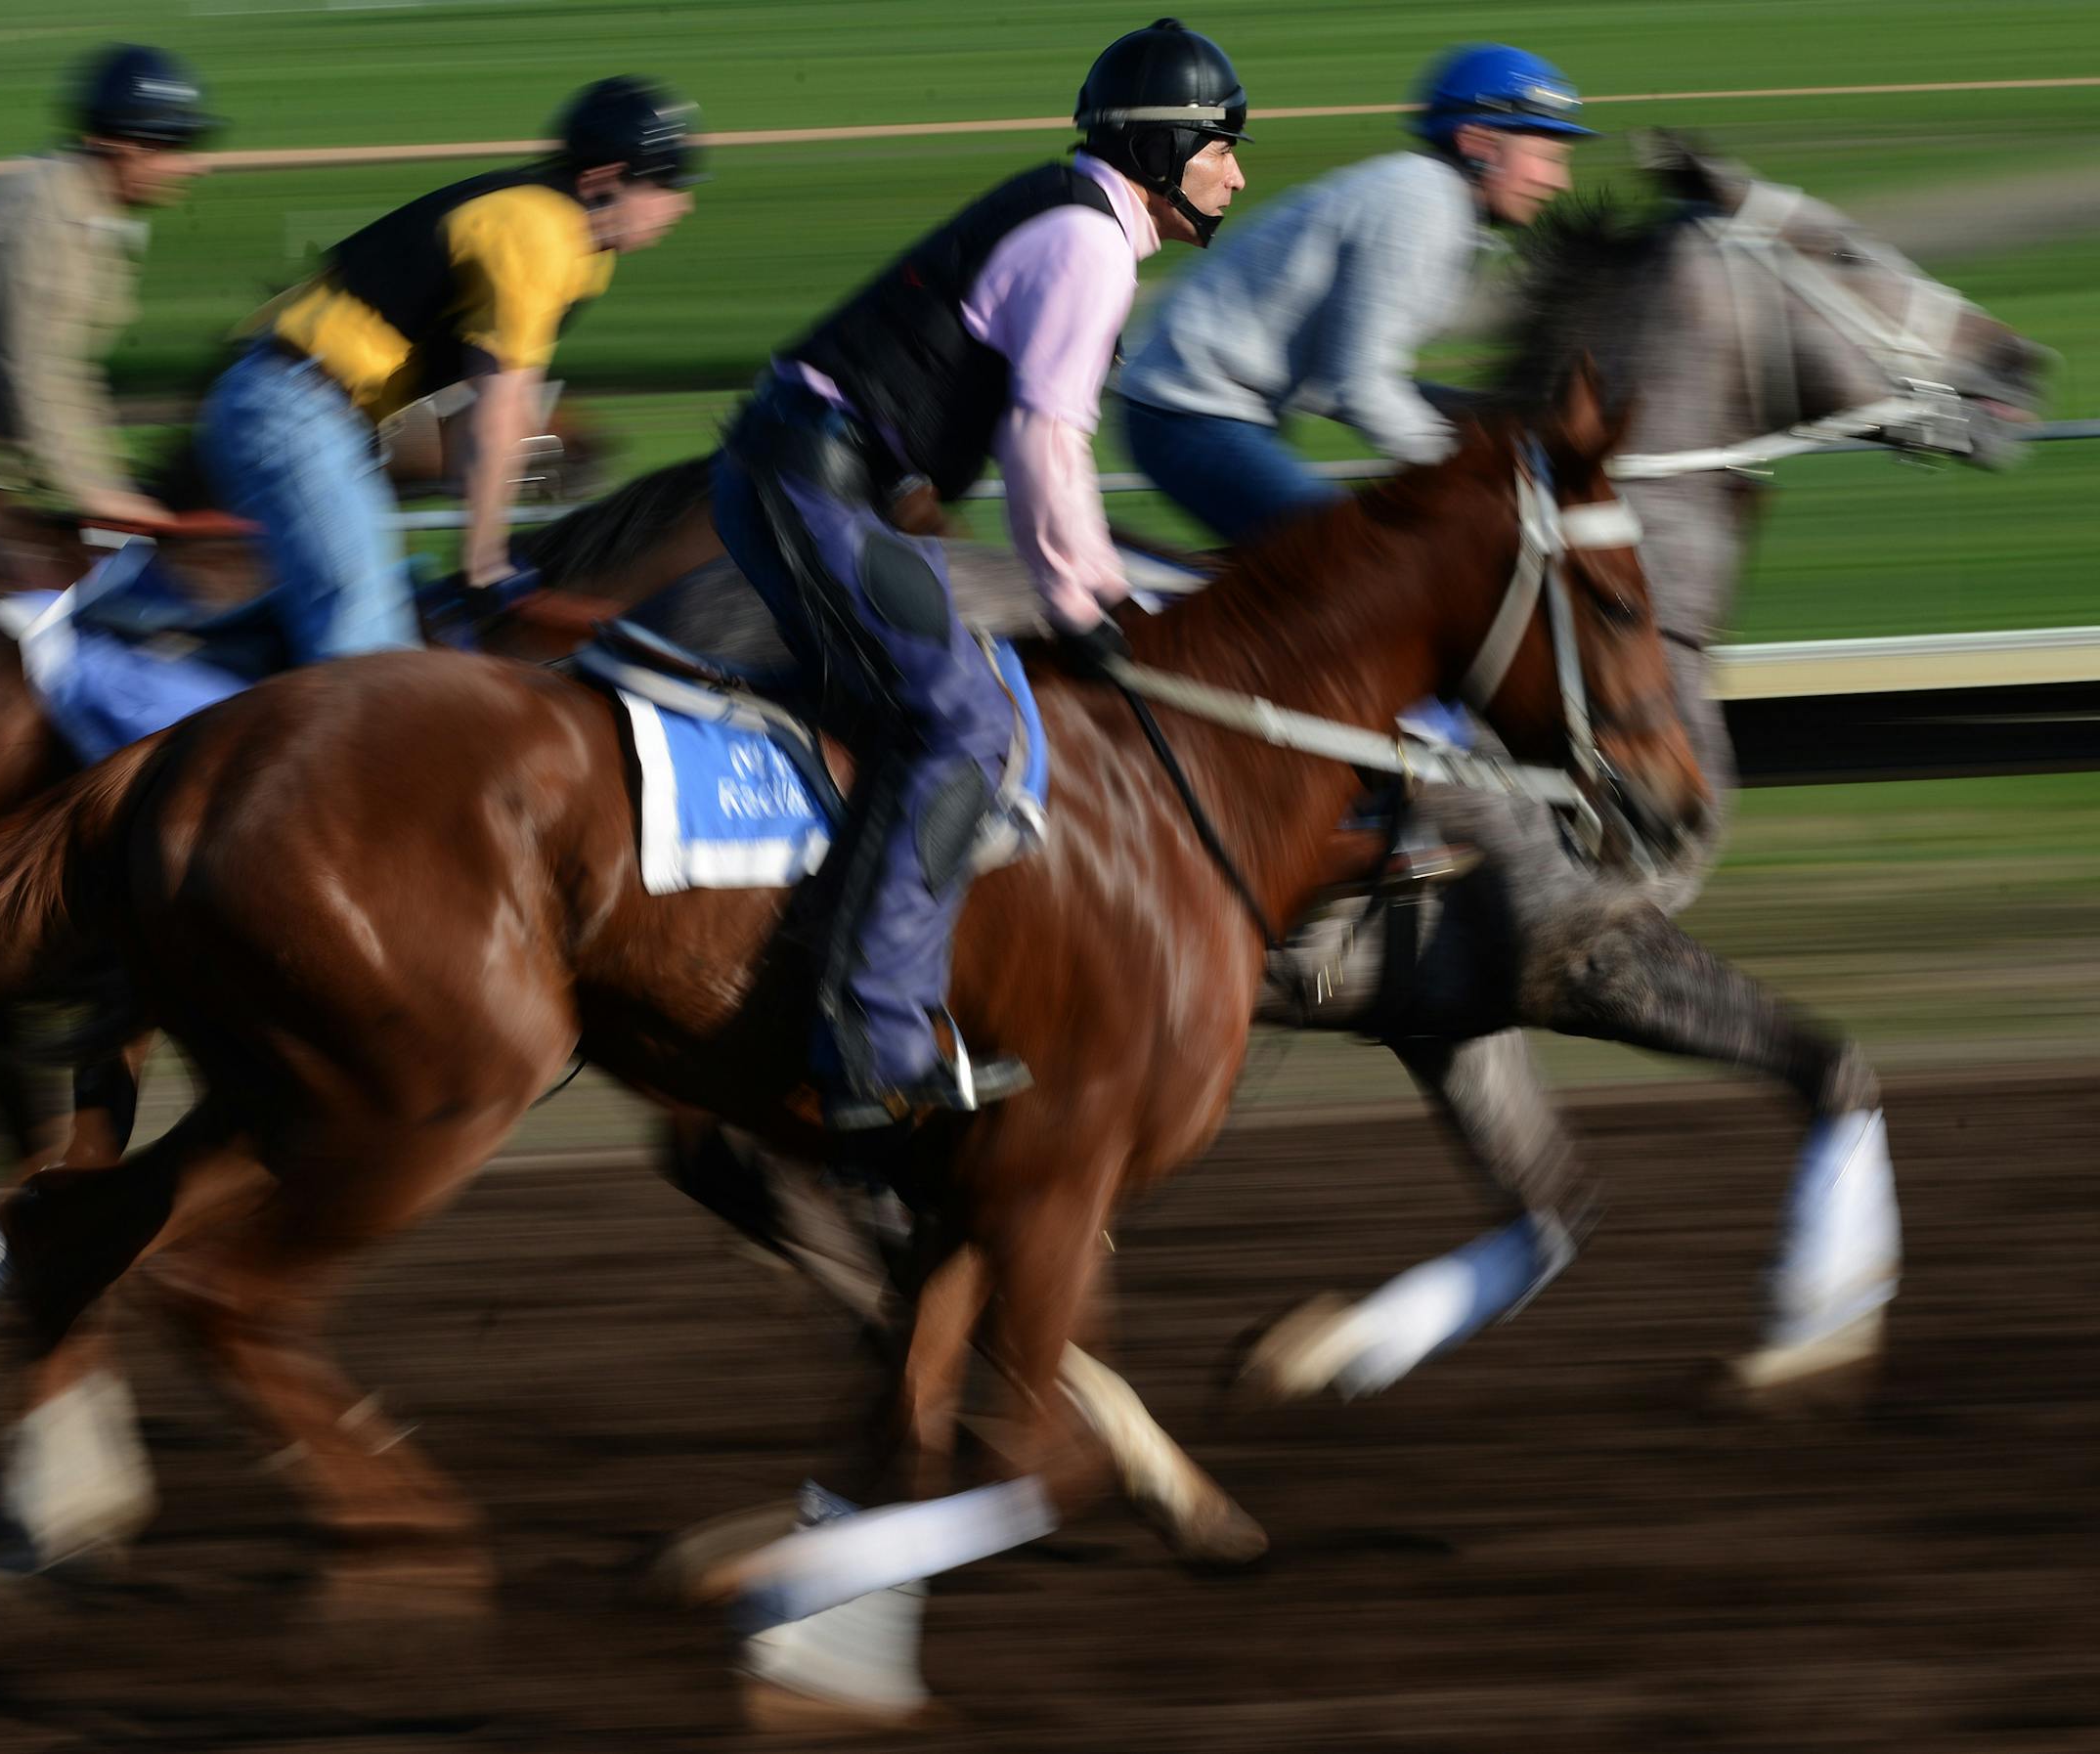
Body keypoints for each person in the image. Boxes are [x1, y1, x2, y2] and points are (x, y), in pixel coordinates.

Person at [711, 18, 1249, 1130]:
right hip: (810, 482)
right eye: (1219, 144)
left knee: (928, 701)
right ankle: (872, 1038)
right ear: (1157, 152)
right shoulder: (1090, 245)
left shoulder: (1073, 220)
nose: (1238, 172)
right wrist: (1087, 599)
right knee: (963, 722)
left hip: (810, 473)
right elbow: (1045, 441)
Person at [197, 76, 697, 661]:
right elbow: (499, 406)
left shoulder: (575, 249)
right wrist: (482, 558)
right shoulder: (540, 232)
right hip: (292, 408)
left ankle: (193, 657)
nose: (681, 203)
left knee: (393, 606)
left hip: (315, 415)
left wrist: (485, 538)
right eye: (665, 183)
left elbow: (469, 413)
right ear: (604, 180)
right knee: (369, 643)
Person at [1118, 42, 1590, 545]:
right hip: (1186, 413)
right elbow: (1360, 386)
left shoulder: (1436, 204)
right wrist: (1474, 470)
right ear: (1478, 142)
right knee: (1363, 563)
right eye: (1544, 156)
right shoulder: (1422, 207)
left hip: (1202, 409)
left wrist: (1486, 417)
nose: (1558, 180)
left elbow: (1345, 379)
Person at [0, 45, 216, 528]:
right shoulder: (48, 218)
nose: (191, 166)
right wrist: (95, 492)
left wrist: (110, 481)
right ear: (121, 149)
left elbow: (72, 373)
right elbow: (35, 372)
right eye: (172, 147)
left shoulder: (92, 212)